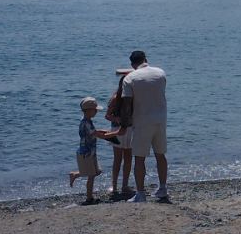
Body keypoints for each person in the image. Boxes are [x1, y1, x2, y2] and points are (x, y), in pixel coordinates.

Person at [120, 49, 169, 203]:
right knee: (160, 155)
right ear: (146, 59)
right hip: (160, 118)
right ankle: (162, 187)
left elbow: (127, 104)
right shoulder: (160, 73)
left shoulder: (130, 78)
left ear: (132, 64)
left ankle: (140, 193)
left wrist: (124, 123)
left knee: (139, 158)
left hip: (142, 121)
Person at [68, 96, 115, 205]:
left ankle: (75, 174)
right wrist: (112, 135)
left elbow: (93, 132)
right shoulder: (87, 123)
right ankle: (89, 198)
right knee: (92, 175)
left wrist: (103, 131)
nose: (96, 112)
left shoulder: (86, 121)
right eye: (95, 110)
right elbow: (95, 134)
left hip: (90, 151)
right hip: (87, 152)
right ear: (89, 111)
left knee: (96, 171)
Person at [105, 70, 133, 201]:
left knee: (128, 158)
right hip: (117, 130)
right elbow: (107, 116)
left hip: (130, 129)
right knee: (117, 159)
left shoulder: (133, 98)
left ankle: (124, 185)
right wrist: (117, 119)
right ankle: (114, 185)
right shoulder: (116, 98)